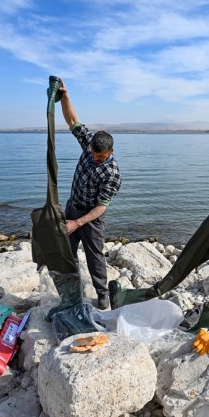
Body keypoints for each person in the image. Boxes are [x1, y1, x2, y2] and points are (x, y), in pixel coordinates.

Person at [57, 80, 122, 310]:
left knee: (95, 255)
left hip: (91, 216)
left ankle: (102, 293)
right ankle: (70, 291)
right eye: (94, 154)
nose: (96, 159)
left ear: (111, 152)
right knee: (65, 251)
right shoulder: (89, 144)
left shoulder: (112, 172)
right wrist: (65, 96)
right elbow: (73, 121)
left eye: (100, 157)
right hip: (73, 206)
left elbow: (102, 206)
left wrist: (78, 222)